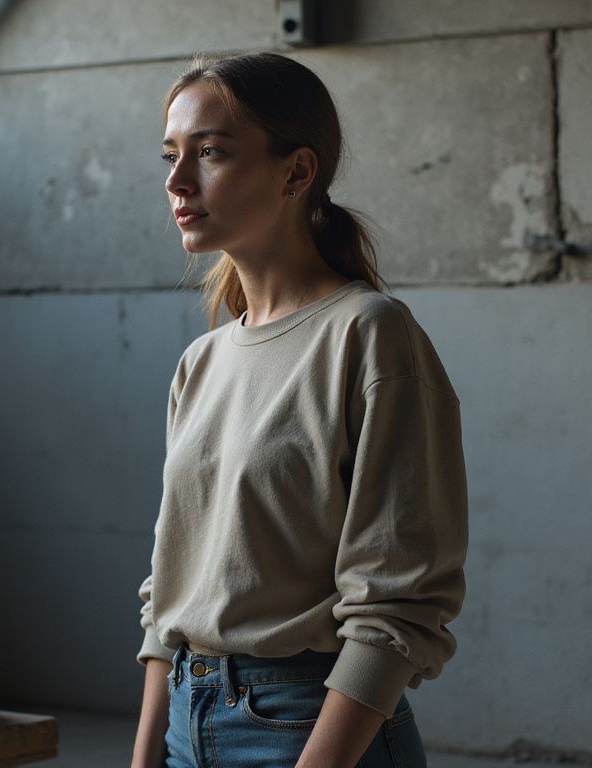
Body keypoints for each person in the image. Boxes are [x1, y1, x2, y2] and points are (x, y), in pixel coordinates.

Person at [132, 52, 468, 768]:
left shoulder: (371, 334)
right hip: (187, 723)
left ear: (296, 171)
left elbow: (399, 600)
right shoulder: (201, 362)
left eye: (211, 152)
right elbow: (169, 592)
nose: (176, 181)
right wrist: (148, 756)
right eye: (170, 155)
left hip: (307, 728)